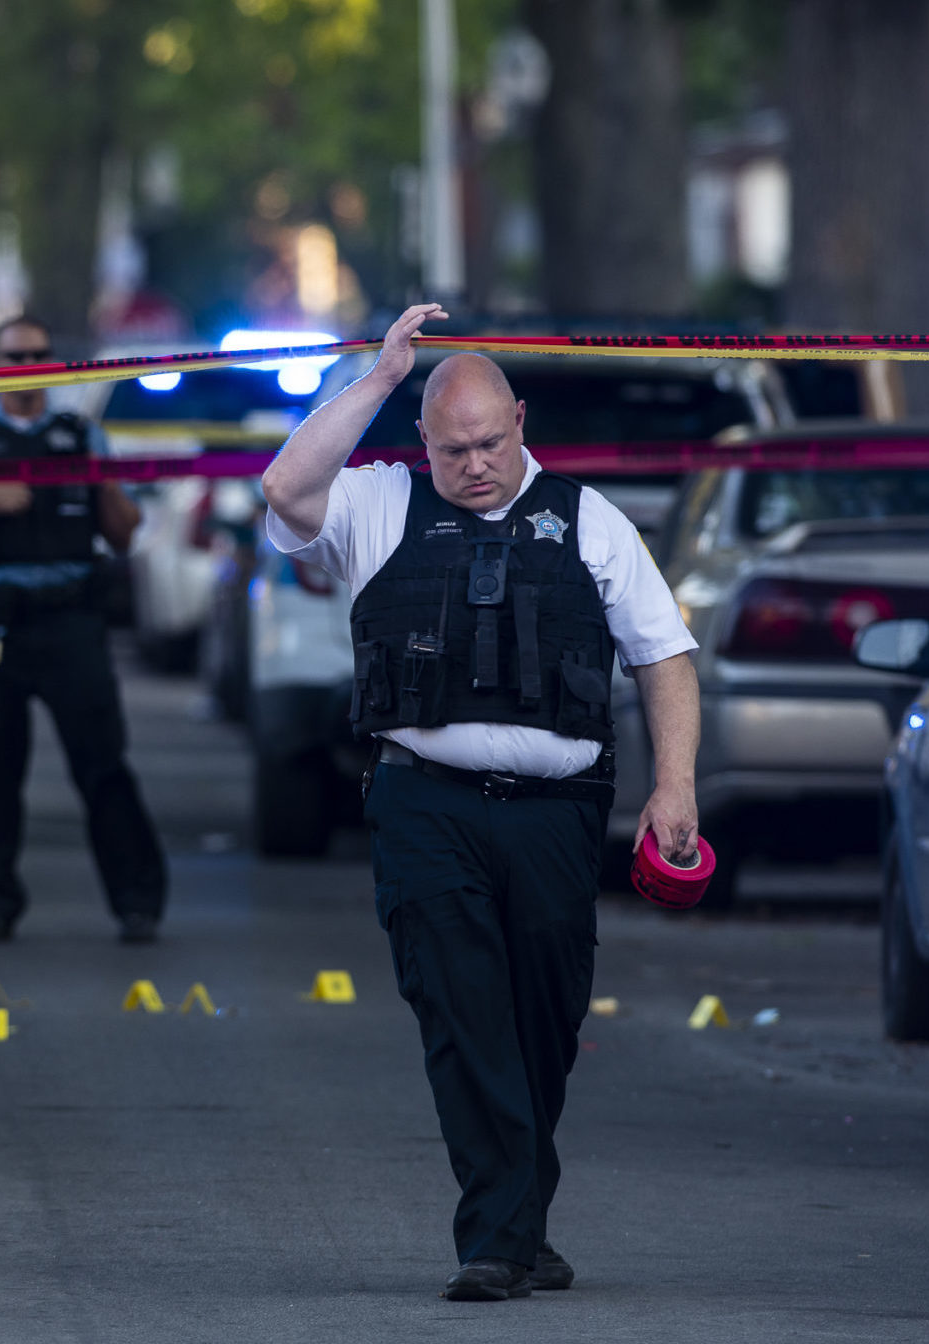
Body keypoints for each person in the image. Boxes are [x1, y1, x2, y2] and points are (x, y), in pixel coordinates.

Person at [258, 304, 703, 1303]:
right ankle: (496, 1240)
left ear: (521, 422)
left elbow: (664, 658)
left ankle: (522, 1216)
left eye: (489, 442)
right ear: (423, 442)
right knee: (460, 1008)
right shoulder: (375, 504)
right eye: (451, 447)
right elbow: (285, 487)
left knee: (543, 1017)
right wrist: (375, 380)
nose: (472, 464)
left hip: (556, 812)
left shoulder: (592, 520)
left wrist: (673, 789)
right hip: (424, 802)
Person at [0, 315, 165, 944]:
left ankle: (137, 901)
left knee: (103, 764)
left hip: (71, 619)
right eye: (13, 354)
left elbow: (123, 532)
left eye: (37, 352)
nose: (25, 362)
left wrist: (100, 478)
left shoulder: (82, 436)